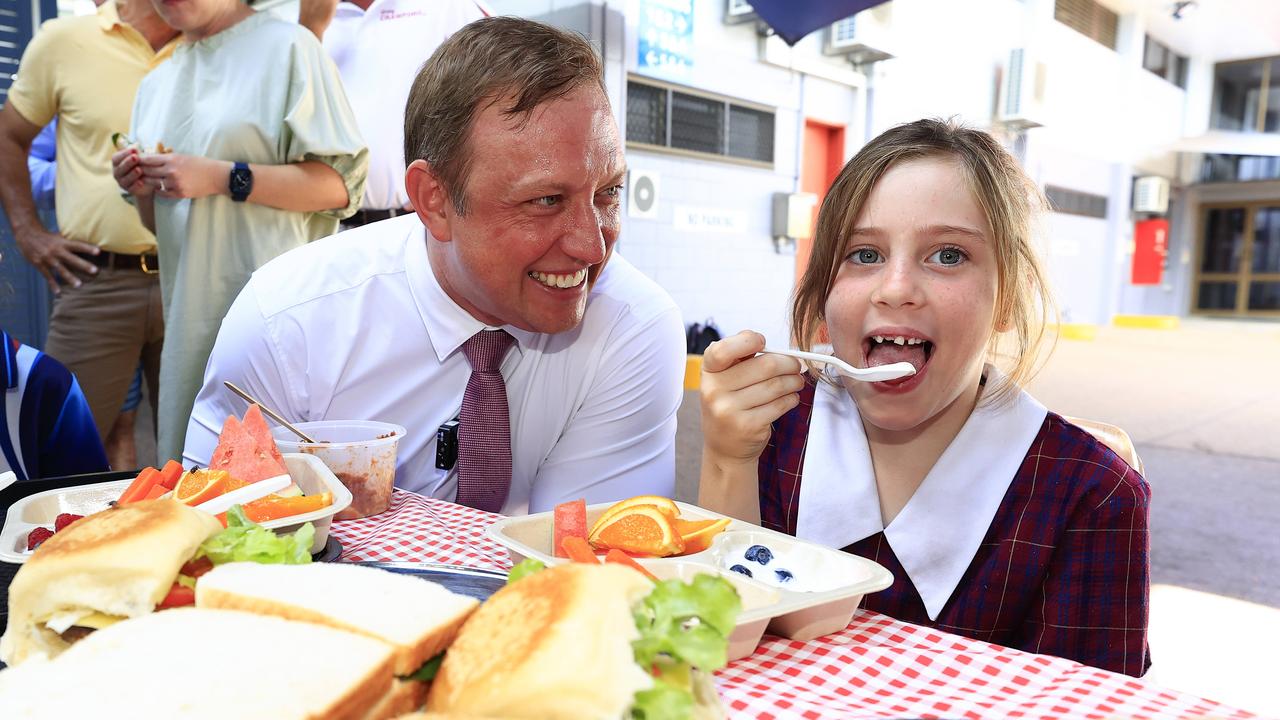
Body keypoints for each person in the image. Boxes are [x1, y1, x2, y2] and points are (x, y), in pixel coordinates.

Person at [698, 119, 1151, 677]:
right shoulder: (774, 430)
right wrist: (727, 460)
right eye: (864, 255)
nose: (895, 289)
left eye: (948, 256)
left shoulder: (1093, 495)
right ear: (823, 294)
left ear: (1007, 299)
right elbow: (708, 652)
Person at [183, 17, 686, 516]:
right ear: (435, 200)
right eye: (547, 200)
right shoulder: (286, 323)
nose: (593, 247)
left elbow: (586, 559)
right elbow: (217, 536)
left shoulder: (632, 325)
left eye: (609, 192)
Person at [111, 0, 368, 464]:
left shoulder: (289, 46)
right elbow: (164, 229)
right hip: (190, 325)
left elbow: (338, 186)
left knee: (287, 489)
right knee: (199, 491)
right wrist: (143, 188)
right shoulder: (155, 82)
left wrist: (222, 177)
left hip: (278, 321)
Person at [0, 0, 176, 465]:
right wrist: (28, 231)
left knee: (204, 458)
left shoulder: (215, 44)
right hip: (97, 282)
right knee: (51, 463)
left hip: (194, 281)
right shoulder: (63, 40)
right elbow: (8, 135)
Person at [298, 0, 487, 229]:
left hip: (418, 224)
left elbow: (492, 98)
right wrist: (308, 29)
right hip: (322, 229)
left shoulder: (449, 7)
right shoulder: (294, 16)